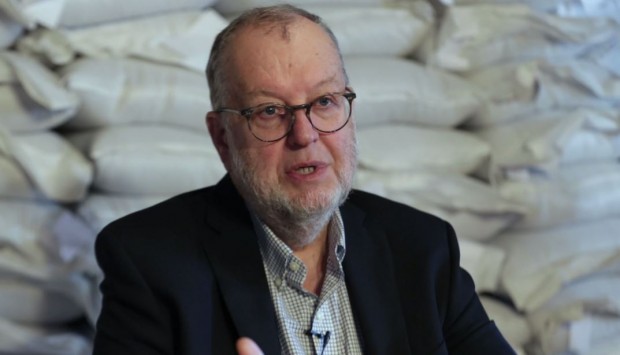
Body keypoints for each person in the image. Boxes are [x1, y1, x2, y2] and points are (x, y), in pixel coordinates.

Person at [92, 4, 515, 355]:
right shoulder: (149, 262)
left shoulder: (422, 249)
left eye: (325, 101)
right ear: (222, 137)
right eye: (270, 111)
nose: (305, 134)